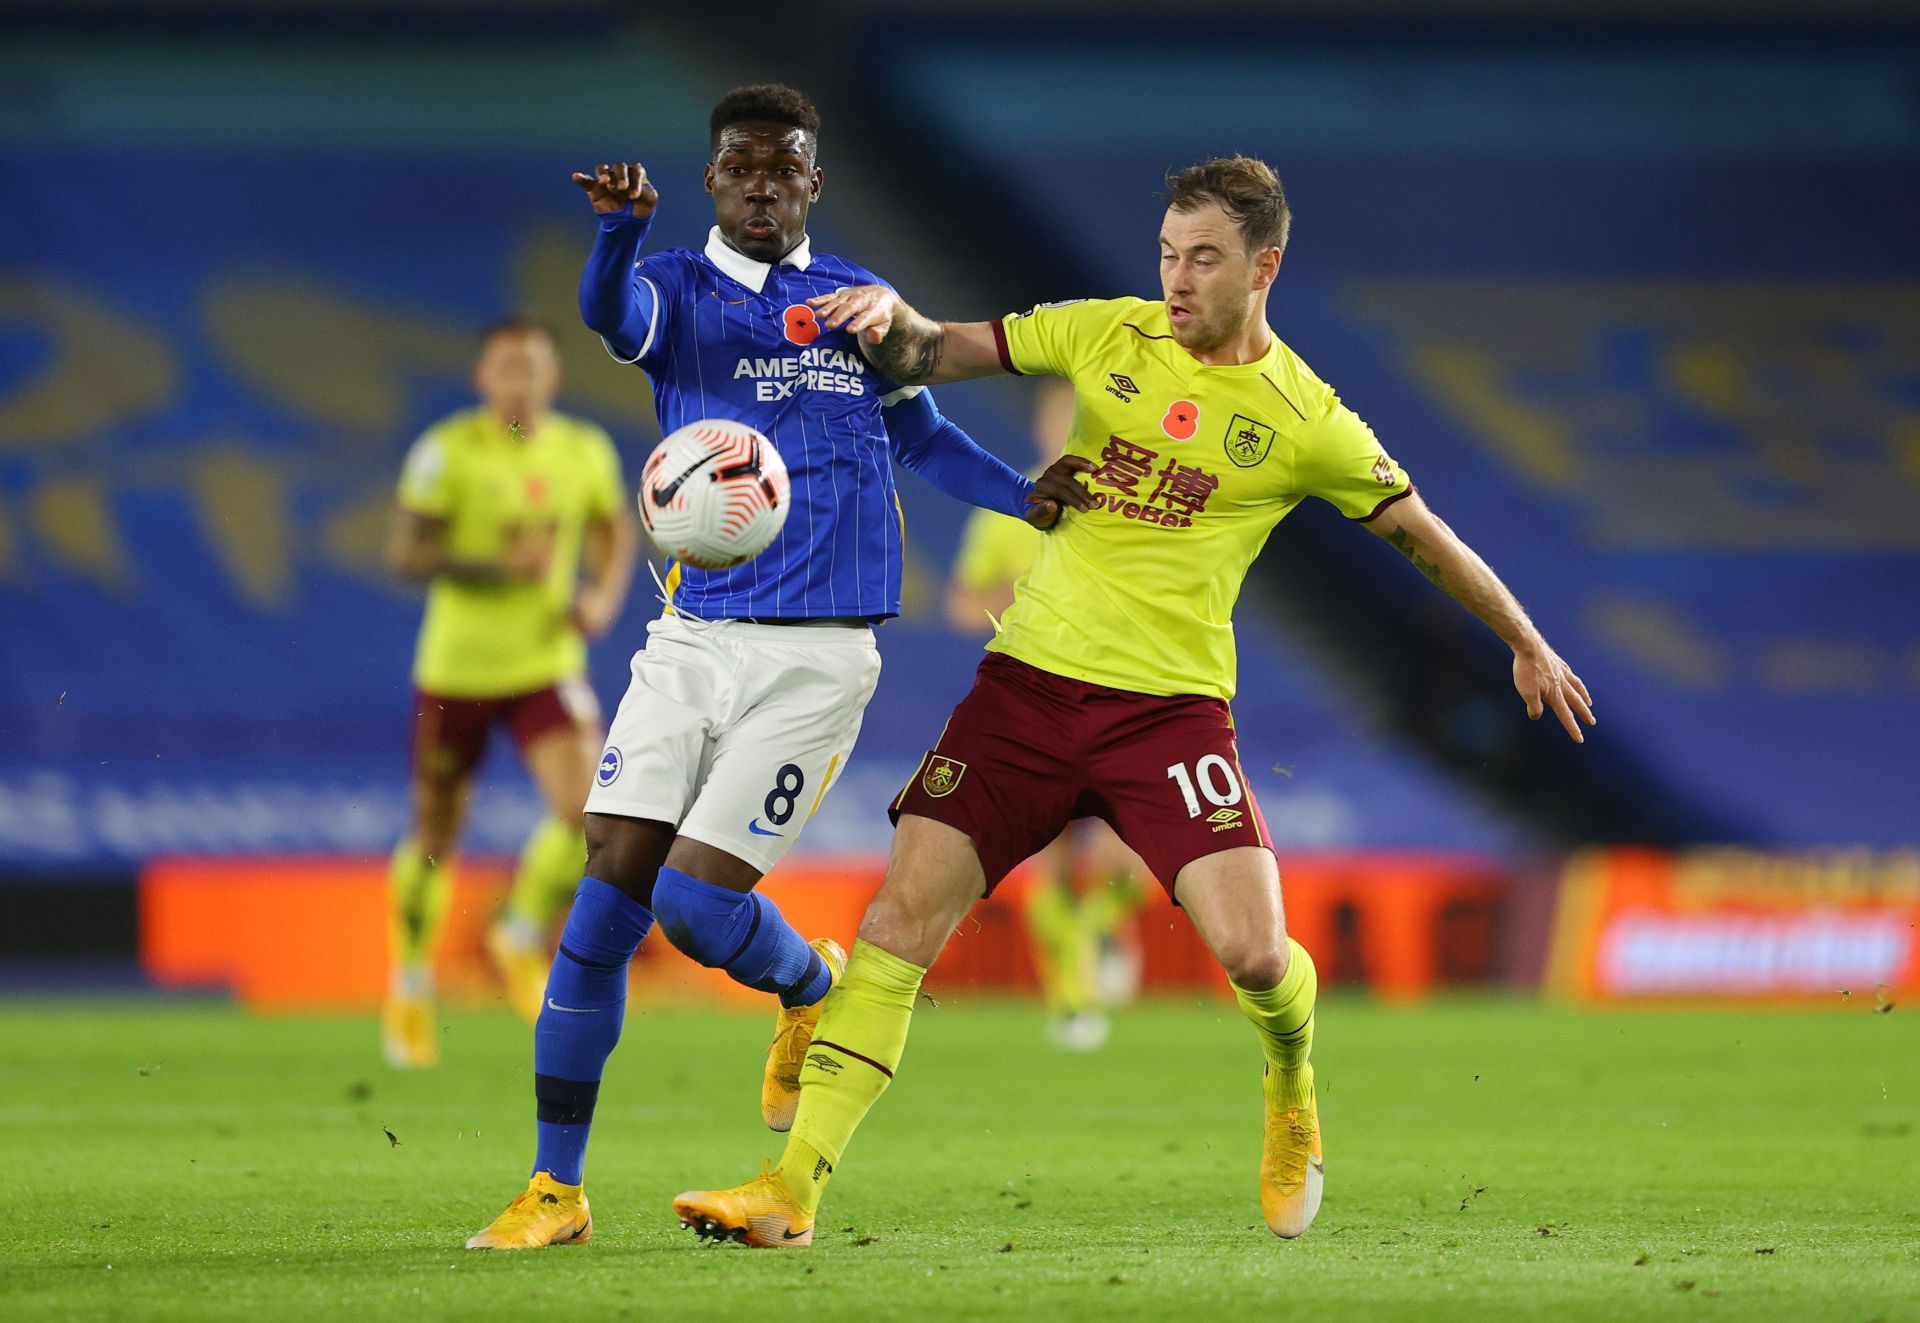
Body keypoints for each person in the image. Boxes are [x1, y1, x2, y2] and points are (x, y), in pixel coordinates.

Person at [675, 155, 1595, 1245]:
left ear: (1266, 266)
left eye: (1203, 258)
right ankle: (793, 1190)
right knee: (894, 924)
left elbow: (1425, 536)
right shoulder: (1106, 333)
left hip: (1169, 715)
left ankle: (1292, 1081)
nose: (1175, 278)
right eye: (1168, 253)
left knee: (1256, 955)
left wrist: (1526, 641)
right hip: (1024, 688)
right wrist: (890, 317)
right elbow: (940, 351)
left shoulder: (1306, 418)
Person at [466, 84, 1082, 1250]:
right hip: (693, 638)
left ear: (811, 179)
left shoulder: (855, 304)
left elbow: (919, 434)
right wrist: (616, 231)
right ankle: (556, 1189)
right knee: (600, 906)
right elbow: (607, 316)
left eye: (781, 168)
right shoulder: (678, 292)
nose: (760, 184)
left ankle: (808, 985)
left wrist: (1021, 497)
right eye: (739, 167)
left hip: (819, 653)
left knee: (697, 908)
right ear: (713, 180)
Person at [382, 316, 638, 1066]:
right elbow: (405, 552)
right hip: (456, 669)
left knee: (593, 811)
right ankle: (408, 982)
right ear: (482, 379)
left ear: (553, 376)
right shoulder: (446, 453)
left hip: (543, 663)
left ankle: (519, 930)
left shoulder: (583, 450)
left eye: (533, 367)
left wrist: (601, 598)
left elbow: (614, 529)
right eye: (506, 368)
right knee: (435, 833)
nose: (520, 381)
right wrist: (498, 566)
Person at [944, 378, 1148, 1051]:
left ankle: (1094, 932)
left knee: (1137, 864)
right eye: (1059, 418)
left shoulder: (1132, 502)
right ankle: (1072, 998)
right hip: (1037, 702)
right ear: (1040, 429)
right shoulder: (1008, 504)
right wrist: (1026, 600)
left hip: (1125, 698)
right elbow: (960, 602)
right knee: (1051, 859)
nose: (1068, 429)